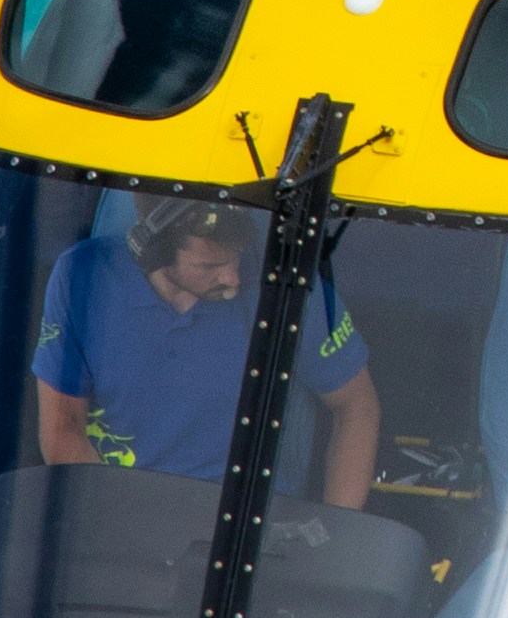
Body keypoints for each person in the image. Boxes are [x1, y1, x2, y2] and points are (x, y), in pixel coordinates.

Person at [33, 192, 380, 506]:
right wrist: (118, 519)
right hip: (128, 517)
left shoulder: (287, 286)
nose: (233, 279)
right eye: (210, 266)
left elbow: (357, 405)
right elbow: (62, 427)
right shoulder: (83, 276)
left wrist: (333, 534)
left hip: (244, 530)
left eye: (236, 259)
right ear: (153, 252)